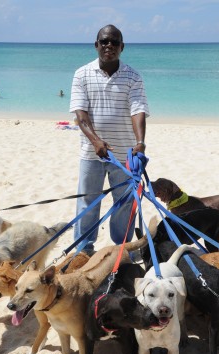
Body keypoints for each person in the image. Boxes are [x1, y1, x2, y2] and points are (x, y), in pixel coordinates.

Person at [70, 24, 149, 256]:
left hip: (125, 156)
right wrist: (96, 142)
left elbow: (138, 110)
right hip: (90, 154)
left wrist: (140, 142)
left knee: (124, 204)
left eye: (114, 42)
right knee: (88, 203)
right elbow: (80, 114)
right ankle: (84, 251)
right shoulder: (81, 74)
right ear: (96, 45)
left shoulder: (133, 76)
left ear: (122, 47)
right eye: (104, 41)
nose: (109, 46)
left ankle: (123, 248)